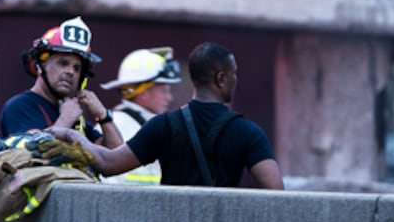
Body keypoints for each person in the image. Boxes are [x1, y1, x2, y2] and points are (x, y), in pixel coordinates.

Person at [59, 42, 284, 189]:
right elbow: (277, 195)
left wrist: (71, 134)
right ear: (221, 79)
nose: (236, 80)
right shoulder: (248, 132)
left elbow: (107, 163)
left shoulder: (162, 126)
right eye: (234, 74)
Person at [0, 16, 125, 150]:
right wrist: (66, 119)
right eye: (63, 63)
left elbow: (115, 154)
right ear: (41, 66)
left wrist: (103, 116)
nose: (71, 72)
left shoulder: (74, 117)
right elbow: (34, 154)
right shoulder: (19, 107)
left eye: (77, 68)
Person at [98, 47, 182, 185]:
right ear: (143, 92)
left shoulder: (152, 122)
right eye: (163, 90)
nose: (169, 97)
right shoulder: (114, 125)